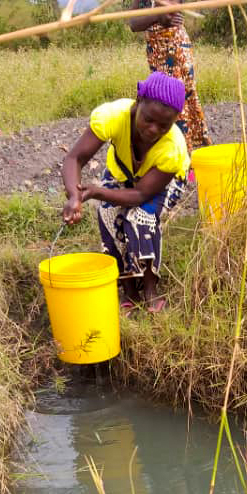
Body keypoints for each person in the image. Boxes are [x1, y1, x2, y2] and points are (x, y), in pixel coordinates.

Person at [62, 72, 190, 314]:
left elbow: (141, 195)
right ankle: (129, 288)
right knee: (109, 215)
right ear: (137, 101)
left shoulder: (173, 148)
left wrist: (96, 191)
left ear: (175, 121)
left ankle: (151, 287)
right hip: (123, 171)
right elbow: (75, 158)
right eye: (148, 120)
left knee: (141, 217)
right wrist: (74, 195)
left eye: (164, 125)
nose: (153, 130)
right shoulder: (113, 116)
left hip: (163, 180)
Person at [129, 0, 211, 152]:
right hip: (157, 48)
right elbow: (133, 24)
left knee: (176, 101)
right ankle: (181, 158)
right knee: (165, 102)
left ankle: (186, 161)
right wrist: (157, 16)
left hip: (173, 46)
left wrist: (160, 16)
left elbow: (170, 14)